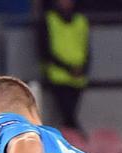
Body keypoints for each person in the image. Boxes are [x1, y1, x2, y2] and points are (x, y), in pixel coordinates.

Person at [38, 0, 89, 135]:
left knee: (69, 116)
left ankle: (73, 139)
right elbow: (44, 50)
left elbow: (87, 47)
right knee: (67, 115)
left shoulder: (81, 21)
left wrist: (83, 68)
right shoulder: (49, 20)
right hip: (57, 75)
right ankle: (80, 138)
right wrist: (68, 68)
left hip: (78, 78)